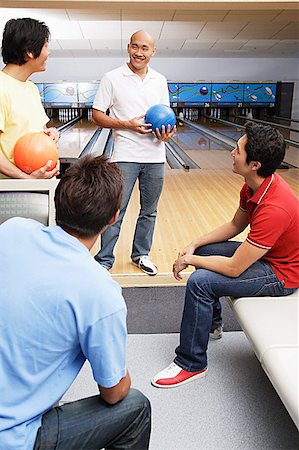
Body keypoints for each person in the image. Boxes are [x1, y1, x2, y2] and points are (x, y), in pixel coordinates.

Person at [0, 155, 151, 449]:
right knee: (135, 407)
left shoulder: (11, 230)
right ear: (113, 217)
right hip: (11, 438)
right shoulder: (100, 292)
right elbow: (113, 392)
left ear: (58, 199)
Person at [152, 121, 299, 388]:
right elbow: (234, 226)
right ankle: (212, 324)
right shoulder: (254, 185)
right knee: (207, 252)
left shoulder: (276, 206)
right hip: (267, 256)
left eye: (238, 149)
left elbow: (233, 268)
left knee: (200, 282)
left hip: (280, 275)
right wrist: (194, 245)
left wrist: (188, 260)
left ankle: (191, 364)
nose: (231, 152)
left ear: (254, 164)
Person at [92, 30, 176, 276]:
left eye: (145, 48)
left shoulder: (160, 80)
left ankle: (141, 254)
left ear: (153, 51)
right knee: (115, 211)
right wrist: (127, 124)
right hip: (125, 155)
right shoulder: (112, 78)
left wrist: (167, 134)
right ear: (128, 47)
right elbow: (97, 115)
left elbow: (166, 116)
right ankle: (104, 260)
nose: (139, 53)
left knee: (149, 211)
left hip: (155, 157)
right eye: (135, 47)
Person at [0, 17, 59, 179]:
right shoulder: (1, 87)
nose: (49, 52)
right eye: (46, 46)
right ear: (30, 52)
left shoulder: (31, 88)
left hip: (37, 186)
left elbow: (36, 132)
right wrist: (26, 179)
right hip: (10, 192)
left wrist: (51, 134)